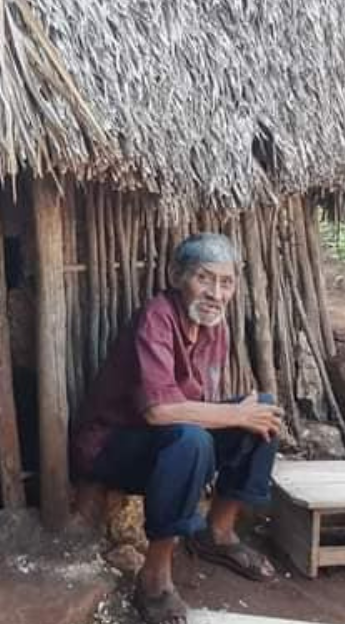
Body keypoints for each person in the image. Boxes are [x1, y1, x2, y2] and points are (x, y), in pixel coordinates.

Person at [72, 233, 283, 624]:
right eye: (205, 278)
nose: (216, 294)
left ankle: (217, 534)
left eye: (226, 282)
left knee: (264, 412)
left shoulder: (213, 326)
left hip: (166, 443)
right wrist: (234, 416)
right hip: (112, 447)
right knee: (192, 437)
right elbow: (159, 412)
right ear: (176, 275)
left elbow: (202, 402)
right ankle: (154, 575)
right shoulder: (156, 317)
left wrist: (240, 417)